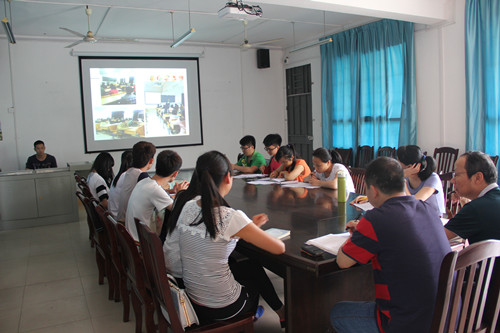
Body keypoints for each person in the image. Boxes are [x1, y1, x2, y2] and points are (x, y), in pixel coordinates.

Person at [163, 151, 286, 326]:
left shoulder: (188, 206)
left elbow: (215, 233)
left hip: (194, 301)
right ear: (229, 178)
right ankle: (248, 320)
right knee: (253, 282)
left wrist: (249, 227)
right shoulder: (230, 216)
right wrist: (249, 227)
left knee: (250, 266)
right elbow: (279, 248)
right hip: (224, 308)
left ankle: (280, 313)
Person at [331, 157, 450, 333]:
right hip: (446, 316)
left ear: (373, 190)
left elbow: (343, 261)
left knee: (338, 313)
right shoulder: (427, 209)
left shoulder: (376, 218)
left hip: (409, 324)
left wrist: (360, 232)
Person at [125, 150, 188, 242]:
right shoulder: (155, 189)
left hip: (131, 238)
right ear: (175, 174)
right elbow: (179, 210)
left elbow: (162, 195)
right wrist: (180, 193)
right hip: (142, 243)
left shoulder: (145, 181)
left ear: (156, 166)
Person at [444, 151, 500, 243]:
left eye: (456, 175)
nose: (452, 180)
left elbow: (436, 239)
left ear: (478, 177)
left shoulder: (475, 208)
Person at [108, 141, 156, 222]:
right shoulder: (140, 176)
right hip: (125, 222)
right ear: (151, 161)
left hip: (119, 220)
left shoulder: (129, 173)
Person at [397, 145, 445, 217]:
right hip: (414, 217)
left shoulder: (433, 179)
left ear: (410, 167)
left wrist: (401, 178)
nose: (396, 164)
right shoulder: (406, 177)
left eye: (398, 161)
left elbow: (413, 204)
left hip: (433, 220)